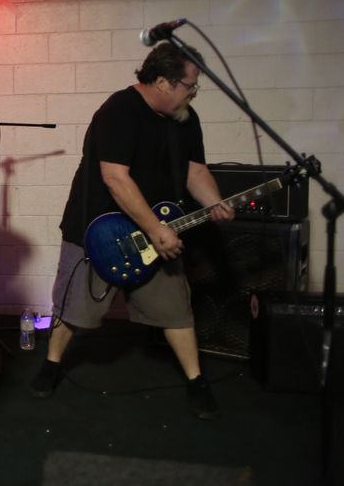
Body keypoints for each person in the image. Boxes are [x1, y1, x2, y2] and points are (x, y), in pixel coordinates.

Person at [30, 43, 234, 420]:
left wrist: (215, 203)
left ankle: (196, 380)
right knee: (73, 307)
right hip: (97, 226)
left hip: (158, 225)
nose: (193, 92)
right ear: (162, 81)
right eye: (189, 85)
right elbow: (115, 178)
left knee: (176, 309)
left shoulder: (186, 119)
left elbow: (196, 171)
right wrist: (155, 230)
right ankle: (52, 363)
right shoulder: (118, 111)